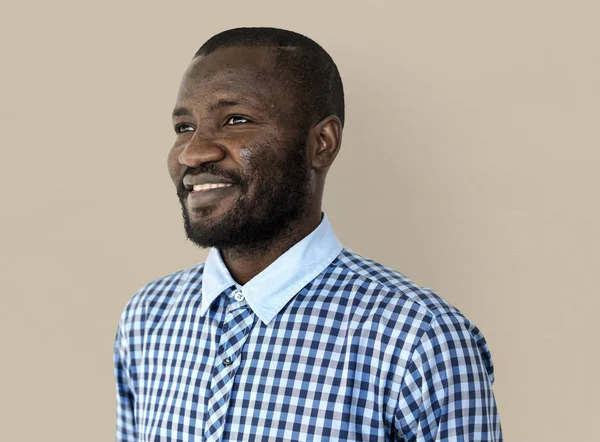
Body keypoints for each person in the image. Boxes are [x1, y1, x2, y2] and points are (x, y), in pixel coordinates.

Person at [114, 27, 502, 442]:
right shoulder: (147, 318)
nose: (193, 152)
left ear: (322, 143)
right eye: (184, 127)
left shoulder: (420, 339)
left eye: (236, 120)